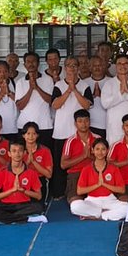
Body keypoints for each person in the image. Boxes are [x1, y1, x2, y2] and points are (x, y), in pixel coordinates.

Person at [51, 57, 93, 198]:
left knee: (80, 163)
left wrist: (75, 90)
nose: (72, 68)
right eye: (69, 65)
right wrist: (68, 90)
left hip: (79, 133)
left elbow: (87, 105)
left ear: (78, 67)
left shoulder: (85, 85)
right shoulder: (58, 85)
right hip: (61, 131)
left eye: (75, 65)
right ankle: (59, 193)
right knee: (60, 165)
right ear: (65, 68)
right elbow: (55, 105)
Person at [0, 139, 47, 224]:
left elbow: (38, 196)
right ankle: (26, 219)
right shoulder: (2, 172)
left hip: (24, 205)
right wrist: (12, 190)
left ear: (24, 153)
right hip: (6, 206)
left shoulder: (31, 172)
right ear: (9, 153)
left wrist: (23, 190)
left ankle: (10, 219)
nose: (17, 154)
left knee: (38, 207)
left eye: (20, 151)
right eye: (14, 151)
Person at [70, 138, 128, 220]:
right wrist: (97, 185)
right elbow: (80, 191)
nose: (100, 152)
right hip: (92, 201)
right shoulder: (86, 169)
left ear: (107, 151)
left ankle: (98, 216)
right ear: (92, 150)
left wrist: (104, 184)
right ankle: (104, 214)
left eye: (103, 149)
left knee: (127, 208)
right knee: (74, 206)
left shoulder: (113, 168)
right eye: (97, 149)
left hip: (109, 200)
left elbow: (121, 190)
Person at [16, 52, 56, 148]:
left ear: (38, 63)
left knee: (44, 155)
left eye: (33, 61)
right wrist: (30, 89)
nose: (31, 64)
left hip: (44, 125)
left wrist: (37, 88)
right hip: (24, 126)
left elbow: (51, 101)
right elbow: (20, 106)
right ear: (24, 65)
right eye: (28, 62)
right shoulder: (20, 82)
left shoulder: (48, 79)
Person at [61, 109, 98, 201]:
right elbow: (63, 165)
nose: (83, 124)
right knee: (75, 203)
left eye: (86, 120)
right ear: (75, 123)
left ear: (90, 122)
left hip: (94, 174)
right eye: (80, 121)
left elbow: (105, 162)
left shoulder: (97, 139)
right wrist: (83, 156)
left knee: (98, 201)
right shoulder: (70, 141)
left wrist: (89, 156)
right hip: (75, 174)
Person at [22, 122, 54, 189]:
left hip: (40, 179)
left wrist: (34, 162)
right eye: (28, 133)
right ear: (23, 135)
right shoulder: (19, 150)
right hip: (23, 179)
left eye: (34, 134)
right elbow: (14, 171)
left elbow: (49, 175)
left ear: (37, 135)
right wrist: (27, 162)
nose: (31, 136)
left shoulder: (45, 150)